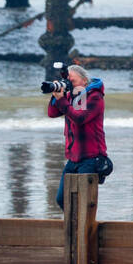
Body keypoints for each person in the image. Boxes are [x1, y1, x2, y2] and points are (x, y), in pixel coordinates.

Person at [46, 64, 108, 209]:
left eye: (72, 81)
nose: (69, 84)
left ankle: (83, 230)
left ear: (84, 81)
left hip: (91, 157)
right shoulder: (71, 96)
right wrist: (55, 94)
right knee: (62, 199)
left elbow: (79, 118)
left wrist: (62, 101)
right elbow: (52, 113)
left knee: (82, 202)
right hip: (73, 158)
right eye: (67, 81)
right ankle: (74, 228)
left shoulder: (95, 97)